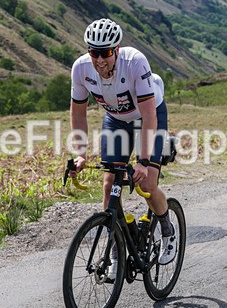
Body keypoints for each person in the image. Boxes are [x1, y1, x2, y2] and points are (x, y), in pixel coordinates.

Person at [68, 18, 176, 276]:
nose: (99, 60)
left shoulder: (135, 62)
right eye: (94, 52)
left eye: (105, 53)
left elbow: (149, 115)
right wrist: (80, 155)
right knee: (109, 185)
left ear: (116, 49)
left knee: (146, 184)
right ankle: (116, 253)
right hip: (116, 120)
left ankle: (167, 228)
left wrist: (143, 161)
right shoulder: (81, 69)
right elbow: (78, 113)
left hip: (148, 117)